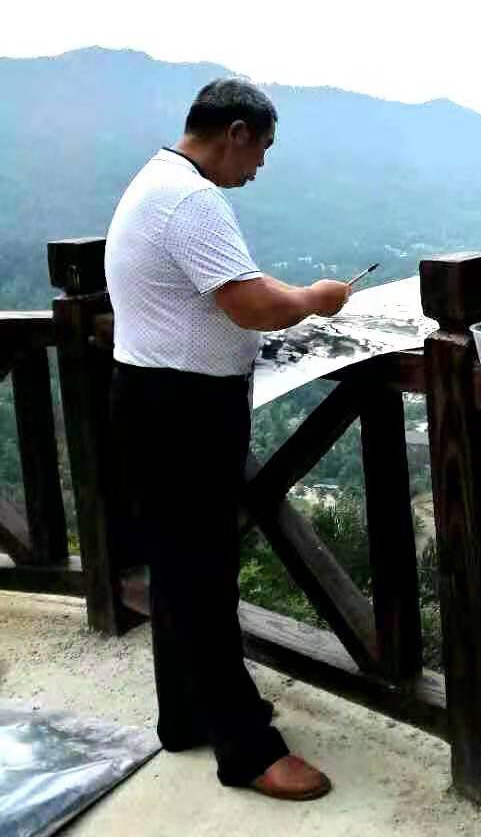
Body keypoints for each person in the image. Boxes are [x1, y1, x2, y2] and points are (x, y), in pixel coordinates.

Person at [105, 77, 351, 801]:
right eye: (262, 149)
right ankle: (247, 750)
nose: (260, 166)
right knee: (203, 580)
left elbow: (222, 285)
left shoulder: (155, 182)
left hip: (149, 399)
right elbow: (250, 303)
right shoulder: (191, 199)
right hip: (182, 411)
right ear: (235, 131)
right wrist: (316, 299)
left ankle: (185, 715)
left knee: (180, 573)